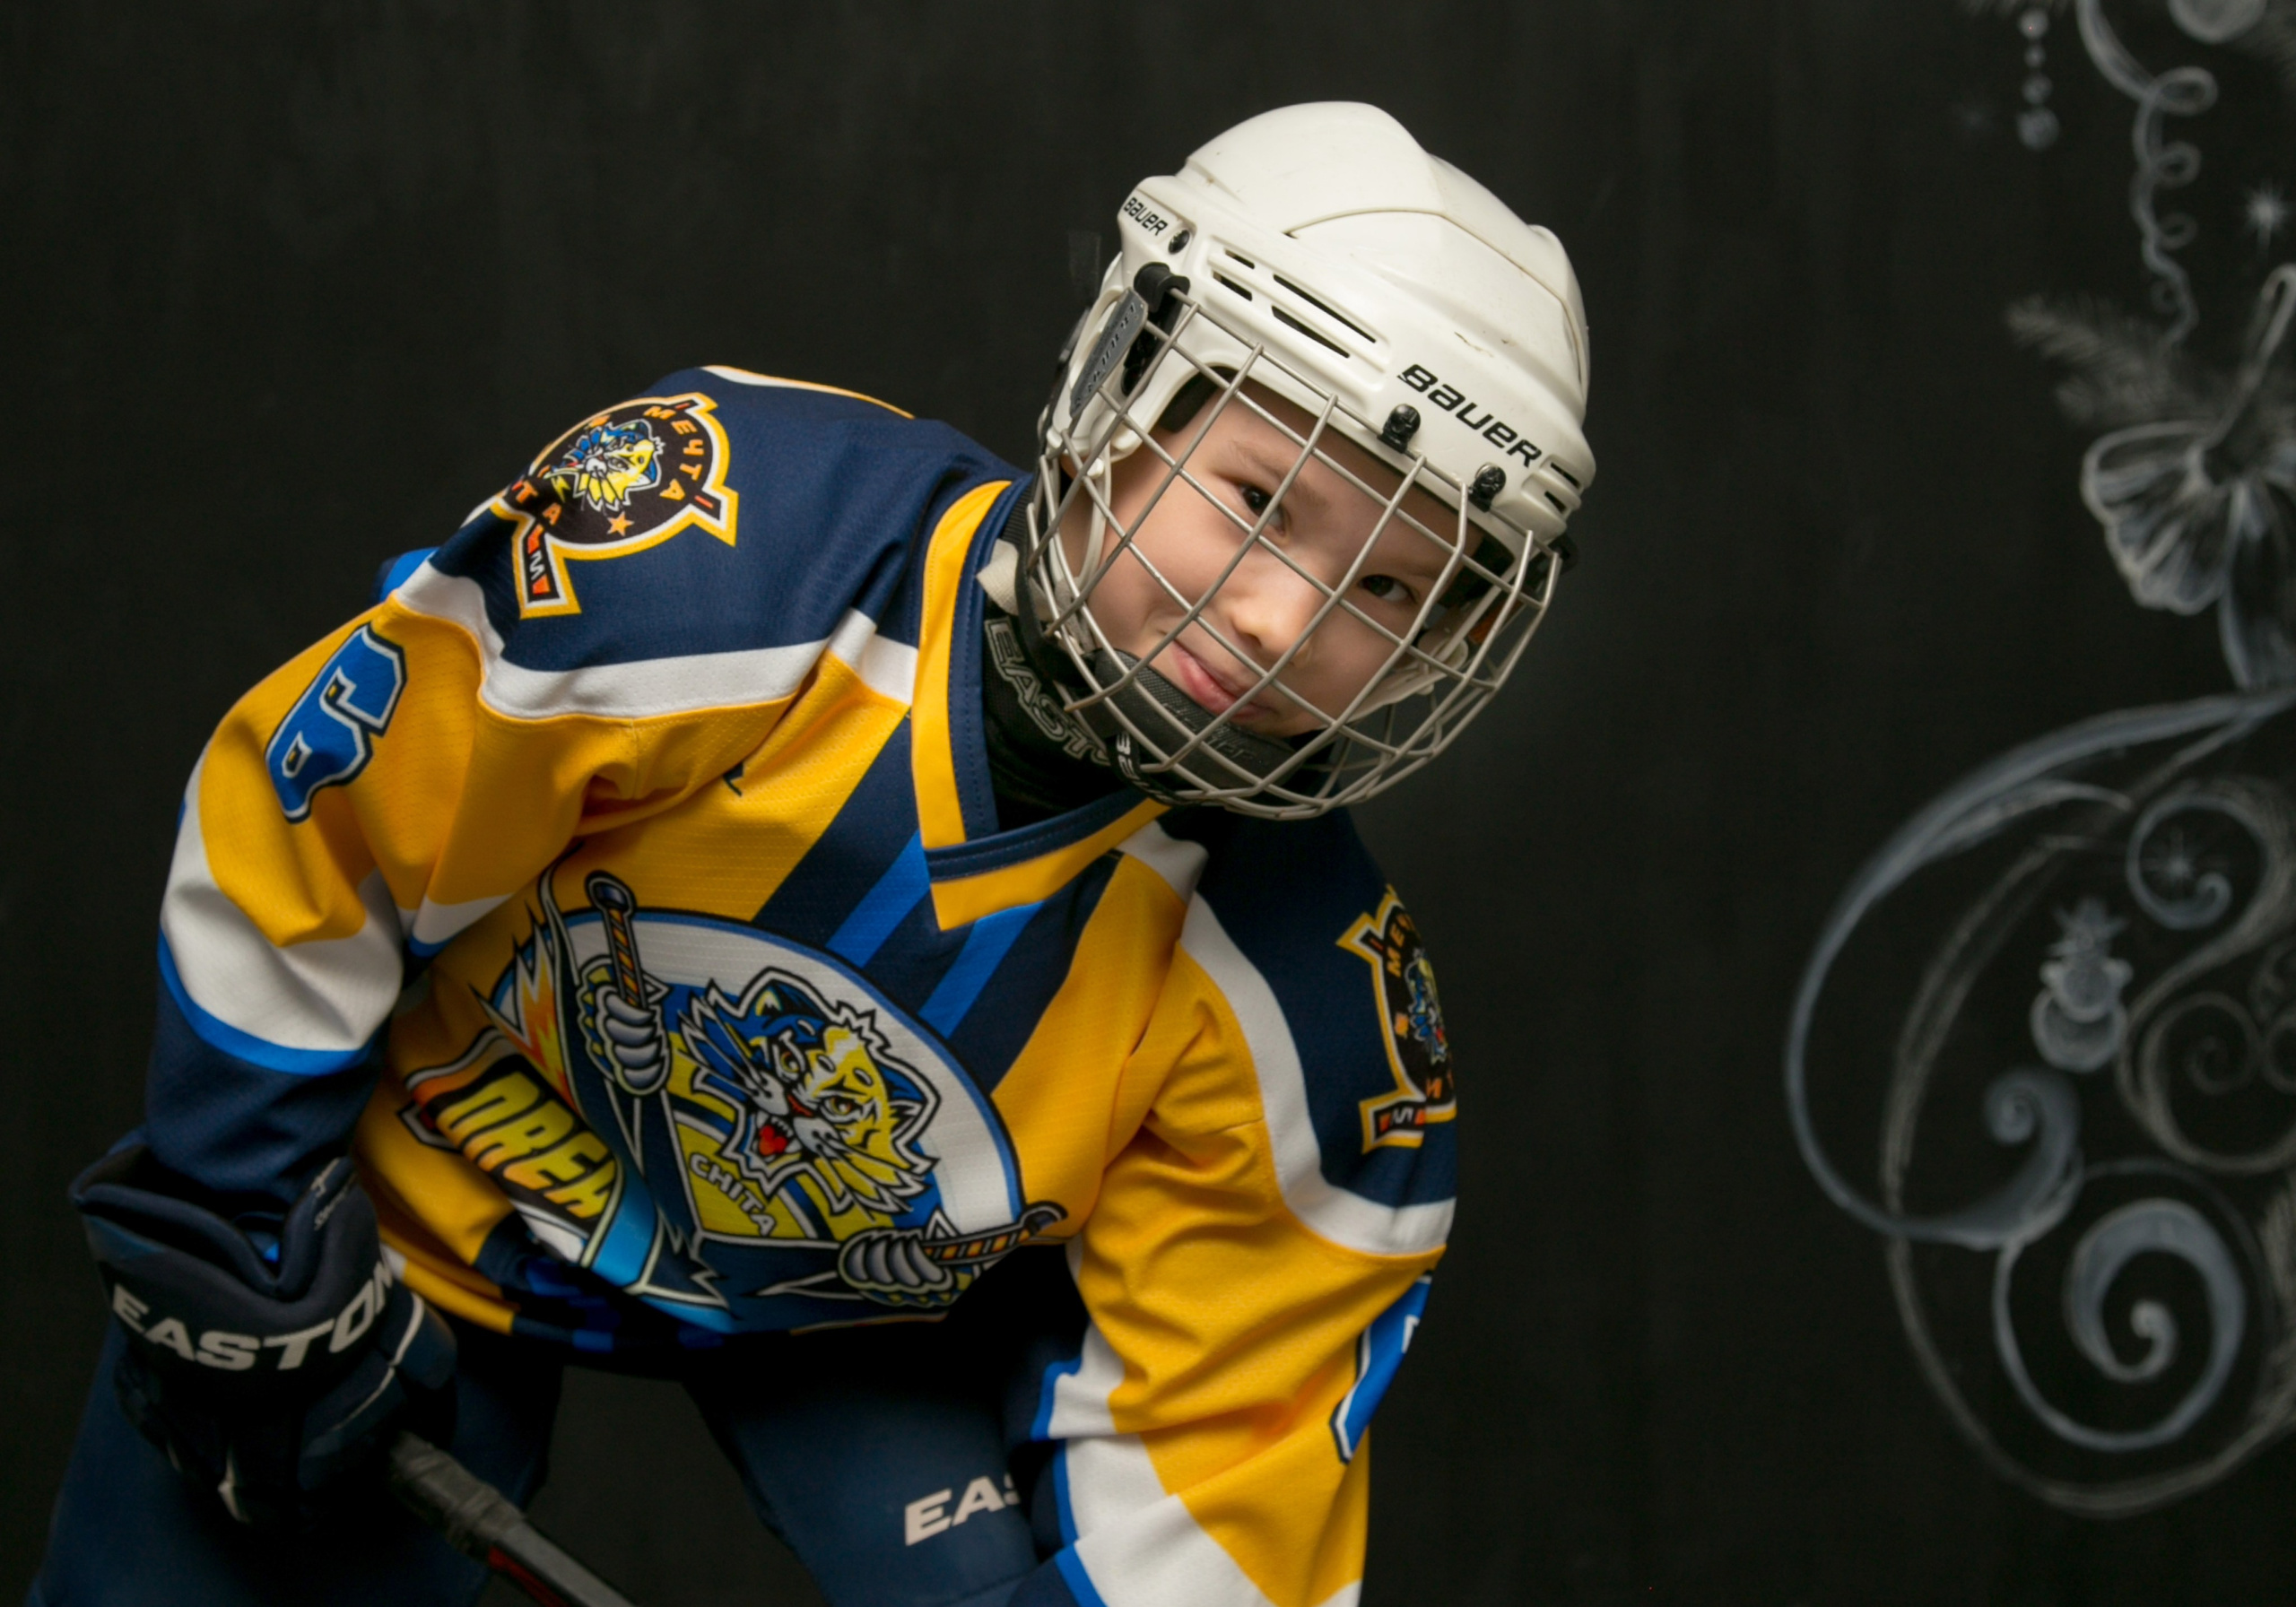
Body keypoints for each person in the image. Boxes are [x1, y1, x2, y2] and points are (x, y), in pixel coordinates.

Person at [31, 100, 1594, 1607]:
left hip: (863, 1323)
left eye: (1390, 592)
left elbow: (1233, 1443)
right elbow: (328, 825)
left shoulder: (1312, 1010)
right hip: (439, 1166)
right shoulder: (727, 564)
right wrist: (236, 1207)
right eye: (1258, 502)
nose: (1282, 621)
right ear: (1126, 399)